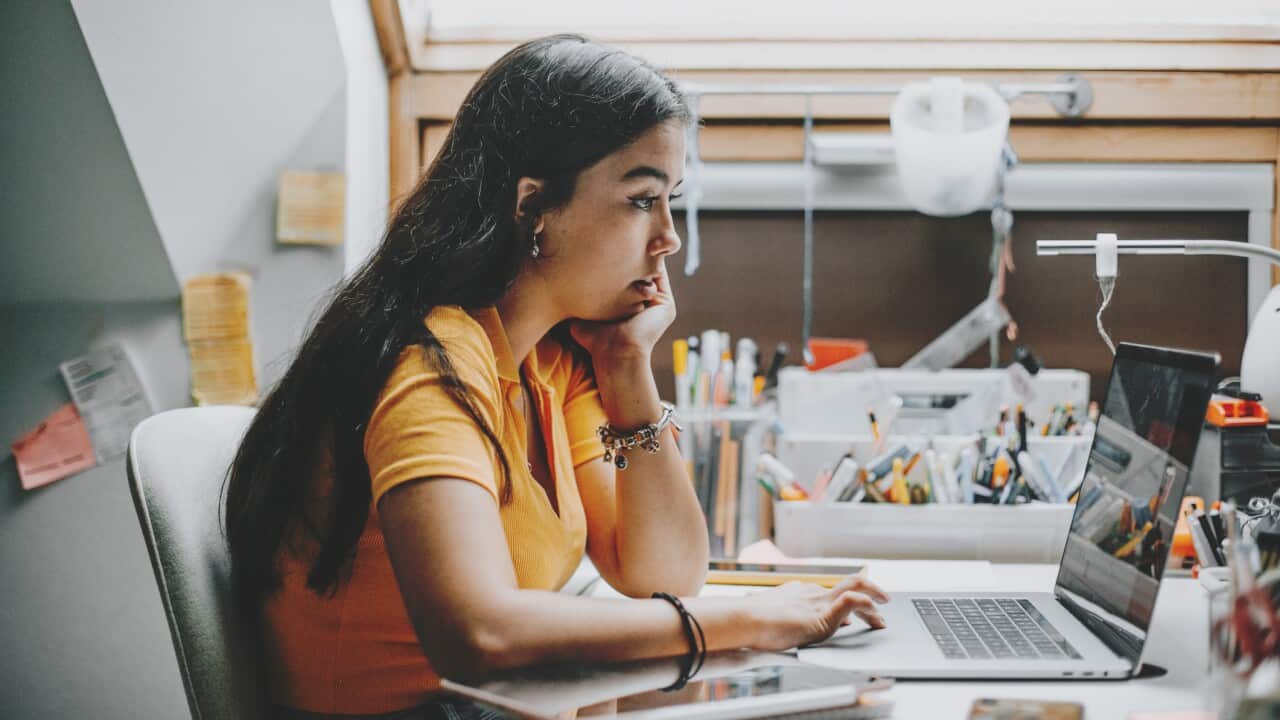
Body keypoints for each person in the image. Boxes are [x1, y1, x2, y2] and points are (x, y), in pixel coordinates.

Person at [225, 34, 888, 718]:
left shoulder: (548, 360)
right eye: (641, 200)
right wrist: (750, 619)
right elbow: (478, 634)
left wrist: (628, 368)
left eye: (671, 201)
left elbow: (659, 575)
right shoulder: (431, 363)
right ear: (533, 207)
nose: (669, 237)